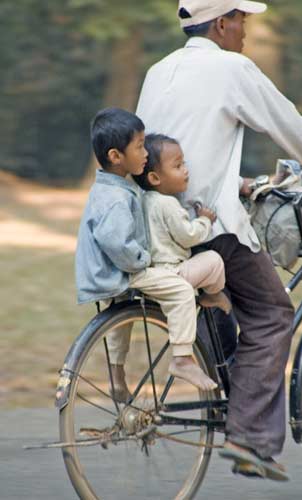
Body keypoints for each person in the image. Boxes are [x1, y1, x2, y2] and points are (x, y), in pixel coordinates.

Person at [136, 0, 302, 481]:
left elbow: (172, 152)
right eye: (242, 19)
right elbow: (294, 130)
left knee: (219, 301)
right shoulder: (232, 68)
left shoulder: (157, 71)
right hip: (205, 226)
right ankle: (251, 439)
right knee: (271, 314)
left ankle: (226, 393)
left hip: (152, 224)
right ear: (222, 23)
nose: (246, 29)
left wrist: (239, 183)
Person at [75, 107, 218, 401]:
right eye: (139, 146)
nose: (144, 153)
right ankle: (182, 359)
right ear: (116, 156)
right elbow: (116, 242)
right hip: (122, 271)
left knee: (120, 322)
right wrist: (144, 260)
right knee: (179, 289)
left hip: (109, 275)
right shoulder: (116, 198)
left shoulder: (110, 188)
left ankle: (116, 375)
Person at [132, 133, 232, 313]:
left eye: (183, 163)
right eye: (178, 166)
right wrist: (205, 220)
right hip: (172, 274)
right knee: (214, 260)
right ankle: (213, 295)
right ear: (155, 178)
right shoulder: (168, 203)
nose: (185, 170)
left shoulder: (144, 200)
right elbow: (188, 236)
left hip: (150, 275)